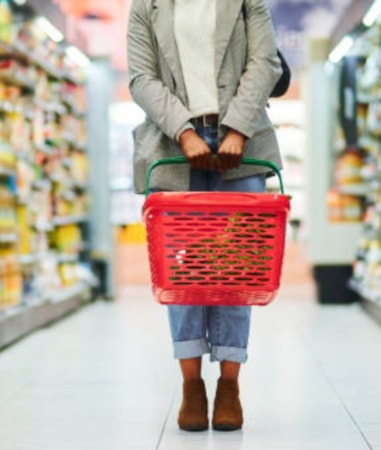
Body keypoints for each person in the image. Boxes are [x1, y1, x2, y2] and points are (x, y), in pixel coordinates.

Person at [127, 0, 283, 432]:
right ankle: (192, 384)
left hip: (244, 144)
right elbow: (142, 78)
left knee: (238, 271)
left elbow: (265, 62)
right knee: (183, 274)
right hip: (172, 146)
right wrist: (184, 130)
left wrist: (237, 128)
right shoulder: (146, 6)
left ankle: (229, 384)